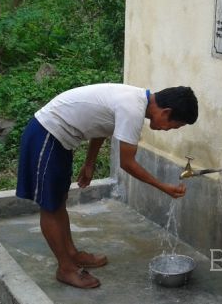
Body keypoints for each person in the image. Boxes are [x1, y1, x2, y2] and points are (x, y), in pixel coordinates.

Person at [16, 83, 198, 289]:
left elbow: (102, 126)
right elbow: (127, 163)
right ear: (166, 112)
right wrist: (163, 187)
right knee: (50, 206)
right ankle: (65, 268)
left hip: (59, 139)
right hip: (46, 135)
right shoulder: (133, 109)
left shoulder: (134, 99)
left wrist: (90, 163)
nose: (168, 130)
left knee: (58, 201)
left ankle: (72, 255)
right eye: (174, 126)